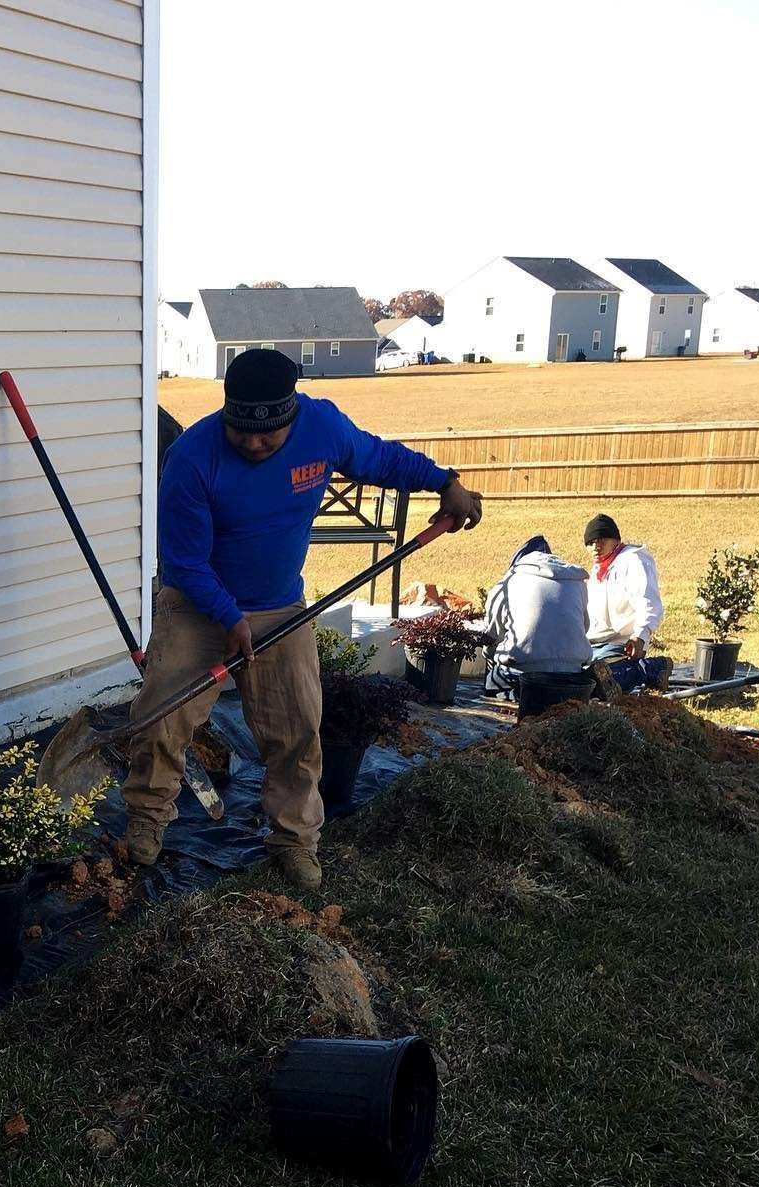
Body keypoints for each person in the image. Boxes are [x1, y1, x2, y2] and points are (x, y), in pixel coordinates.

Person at [121, 349, 484, 890]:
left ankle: (294, 842)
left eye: (268, 435)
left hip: (281, 607)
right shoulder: (193, 458)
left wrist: (443, 481)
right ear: (228, 414)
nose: (255, 443)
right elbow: (185, 563)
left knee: (296, 731)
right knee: (160, 720)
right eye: (243, 432)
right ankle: (147, 823)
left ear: (290, 414)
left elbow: (381, 459)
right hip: (197, 607)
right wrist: (229, 619)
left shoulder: (322, 428)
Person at [481, 535, 592, 700]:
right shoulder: (576, 581)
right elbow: (584, 626)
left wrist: (489, 658)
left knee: (492, 682)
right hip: (572, 676)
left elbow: (491, 636)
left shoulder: (508, 583)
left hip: (523, 675)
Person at [583, 514, 672, 691]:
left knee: (601, 682)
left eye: (601, 540)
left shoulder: (633, 561)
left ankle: (652, 668)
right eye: (591, 543)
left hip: (622, 644)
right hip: (595, 644)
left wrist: (640, 636)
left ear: (615, 540)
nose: (596, 547)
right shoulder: (599, 569)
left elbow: (648, 602)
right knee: (575, 680)